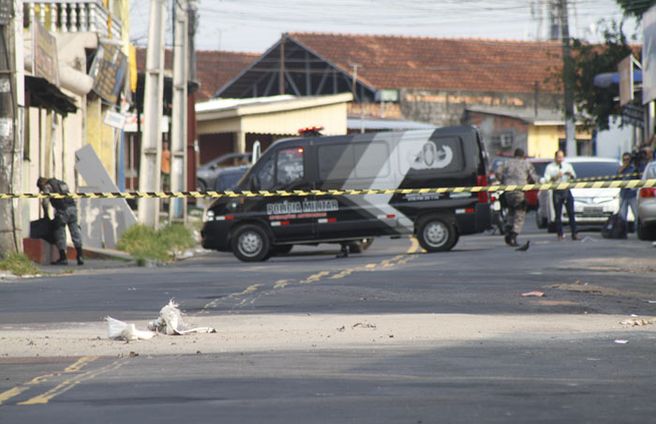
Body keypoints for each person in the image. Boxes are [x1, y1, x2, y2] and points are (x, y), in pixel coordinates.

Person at [36, 177, 84, 265]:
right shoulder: (61, 183)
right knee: (75, 232)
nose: (41, 191)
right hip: (73, 209)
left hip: (62, 211)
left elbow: (45, 202)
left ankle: (63, 258)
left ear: (41, 184)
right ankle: (80, 256)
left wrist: (46, 214)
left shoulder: (48, 186)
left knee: (60, 233)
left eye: (40, 189)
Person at [499, 148, 538, 246]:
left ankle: (508, 228)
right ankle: (513, 235)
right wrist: (532, 183)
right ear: (523, 155)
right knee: (520, 214)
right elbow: (533, 177)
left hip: (508, 191)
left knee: (511, 210)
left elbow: (497, 172)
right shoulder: (526, 163)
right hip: (519, 192)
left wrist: (503, 181)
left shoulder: (507, 162)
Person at [543, 150, 578, 240]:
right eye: (558, 157)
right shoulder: (550, 167)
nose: (560, 159)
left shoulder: (567, 165)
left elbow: (574, 176)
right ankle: (560, 234)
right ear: (555, 157)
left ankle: (574, 233)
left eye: (562, 157)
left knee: (571, 212)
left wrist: (570, 175)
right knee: (558, 214)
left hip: (566, 189)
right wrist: (556, 176)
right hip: (557, 191)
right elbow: (547, 180)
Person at [618, 152, 637, 232]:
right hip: (623, 195)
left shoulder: (633, 169)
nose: (626, 161)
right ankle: (623, 231)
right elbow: (616, 179)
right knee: (622, 215)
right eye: (624, 159)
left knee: (636, 213)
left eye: (627, 159)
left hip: (632, 195)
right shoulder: (621, 169)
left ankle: (637, 229)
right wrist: (621, 170)